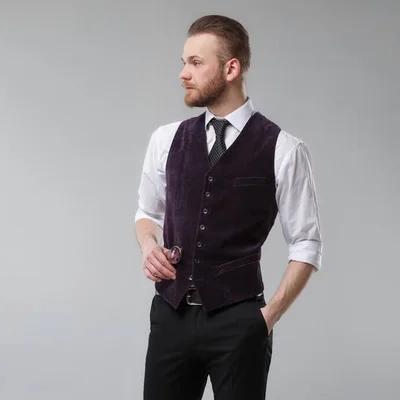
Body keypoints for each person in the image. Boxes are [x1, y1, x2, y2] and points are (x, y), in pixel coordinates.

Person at [134, 15, 322, 400]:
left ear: (231, 68)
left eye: (196, 63)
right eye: (184, 62)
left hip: (239, 321)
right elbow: (146, 213)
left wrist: (266, 319)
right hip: (171, 315)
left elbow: (306, 243)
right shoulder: (166, 139)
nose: (184, 73)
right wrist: (149, 246)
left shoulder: (284, 149)